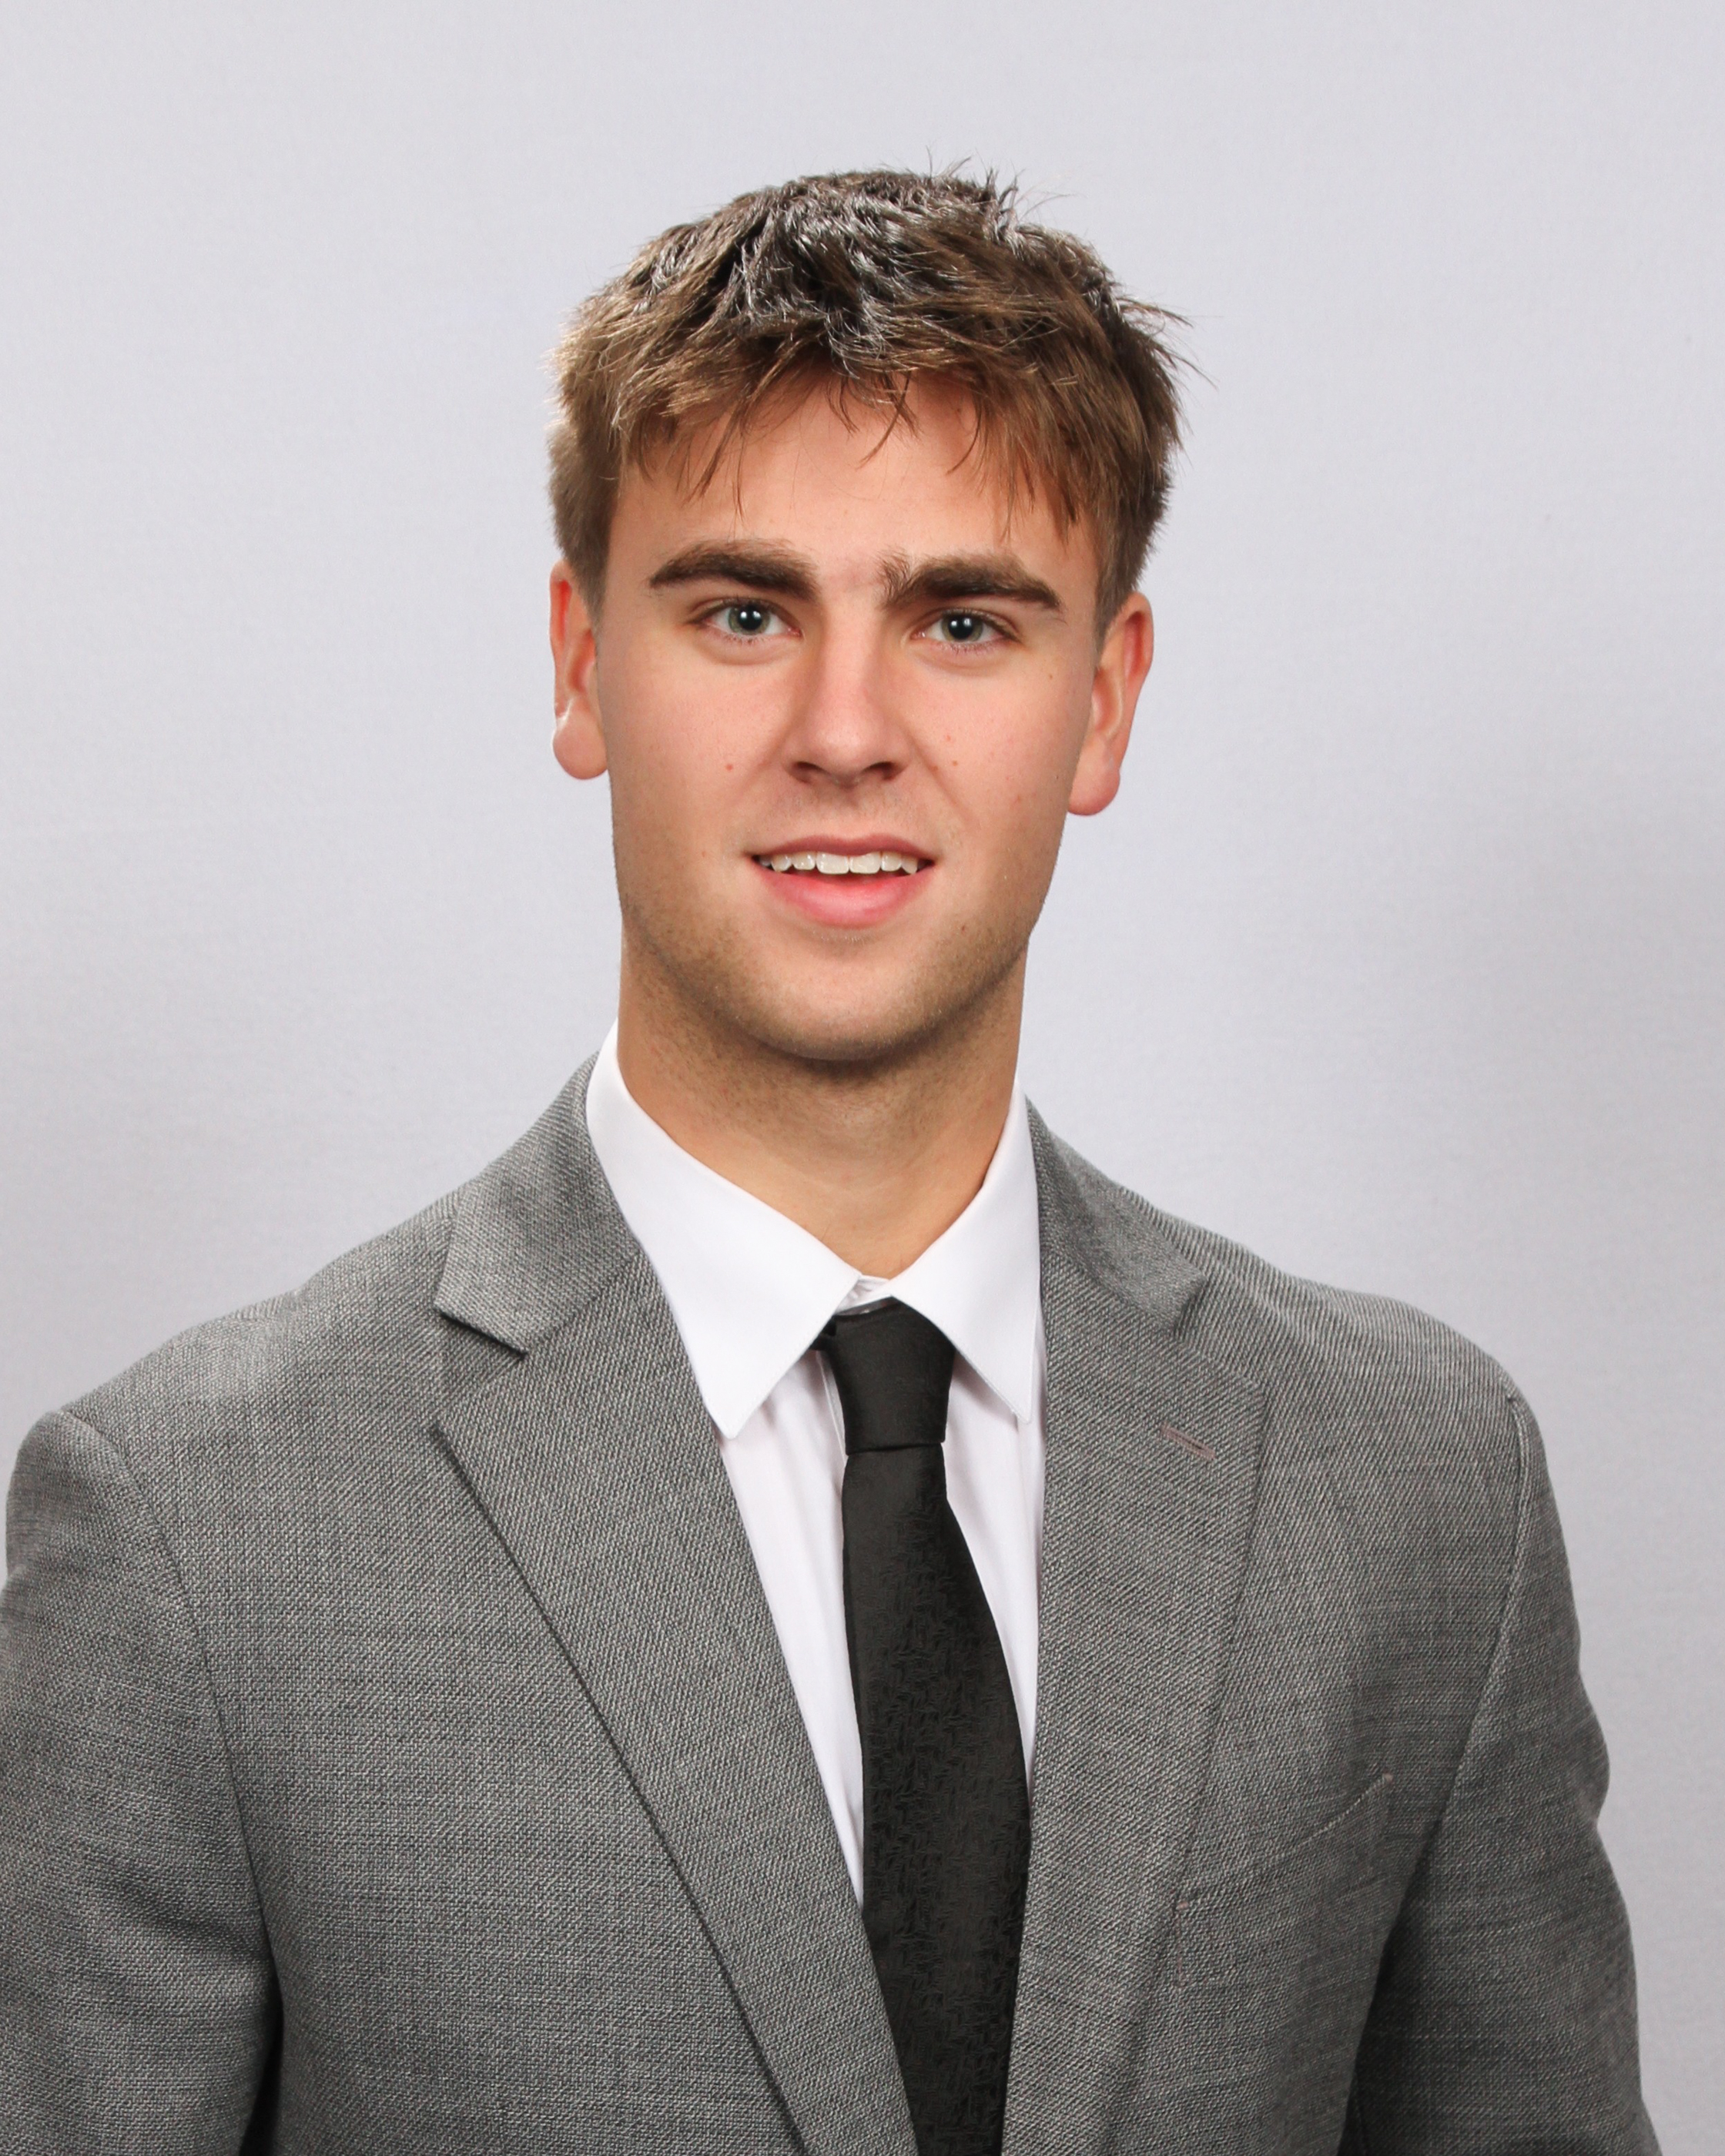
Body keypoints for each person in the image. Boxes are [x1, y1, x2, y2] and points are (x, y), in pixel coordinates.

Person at [0, 169, 1656, 2155]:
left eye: (962, 619)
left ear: (1105, 698)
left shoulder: (1417, 1486)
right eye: (743, 611)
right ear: (580, 665)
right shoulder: (193, 1537)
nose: (845, 729)